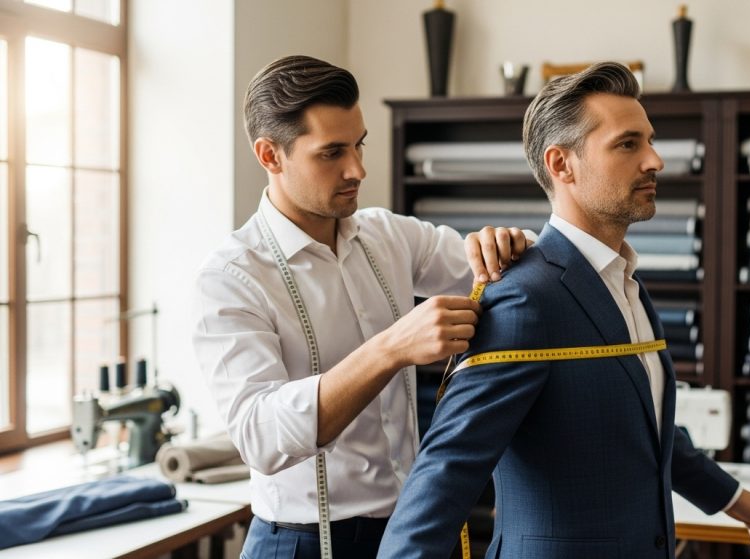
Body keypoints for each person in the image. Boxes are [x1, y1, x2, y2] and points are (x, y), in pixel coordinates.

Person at [378, 62, 750, 558]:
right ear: (561, 165)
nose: (655, 160)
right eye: (628, 144)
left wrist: (733, 498)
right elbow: (444, 473)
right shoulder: (524, 297)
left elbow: (645, 430)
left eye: (650, 141)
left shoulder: (626, 285)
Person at [191, 55, 529, 559]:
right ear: (270, 155)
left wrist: (504, 243)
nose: (358, 169)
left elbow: (503, 268)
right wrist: (391, 348)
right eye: (332, 153)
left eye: (359, 144)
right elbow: (259, 437)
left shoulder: (387, 235)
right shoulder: (232, 277)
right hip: (303, 543)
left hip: (410, 528)